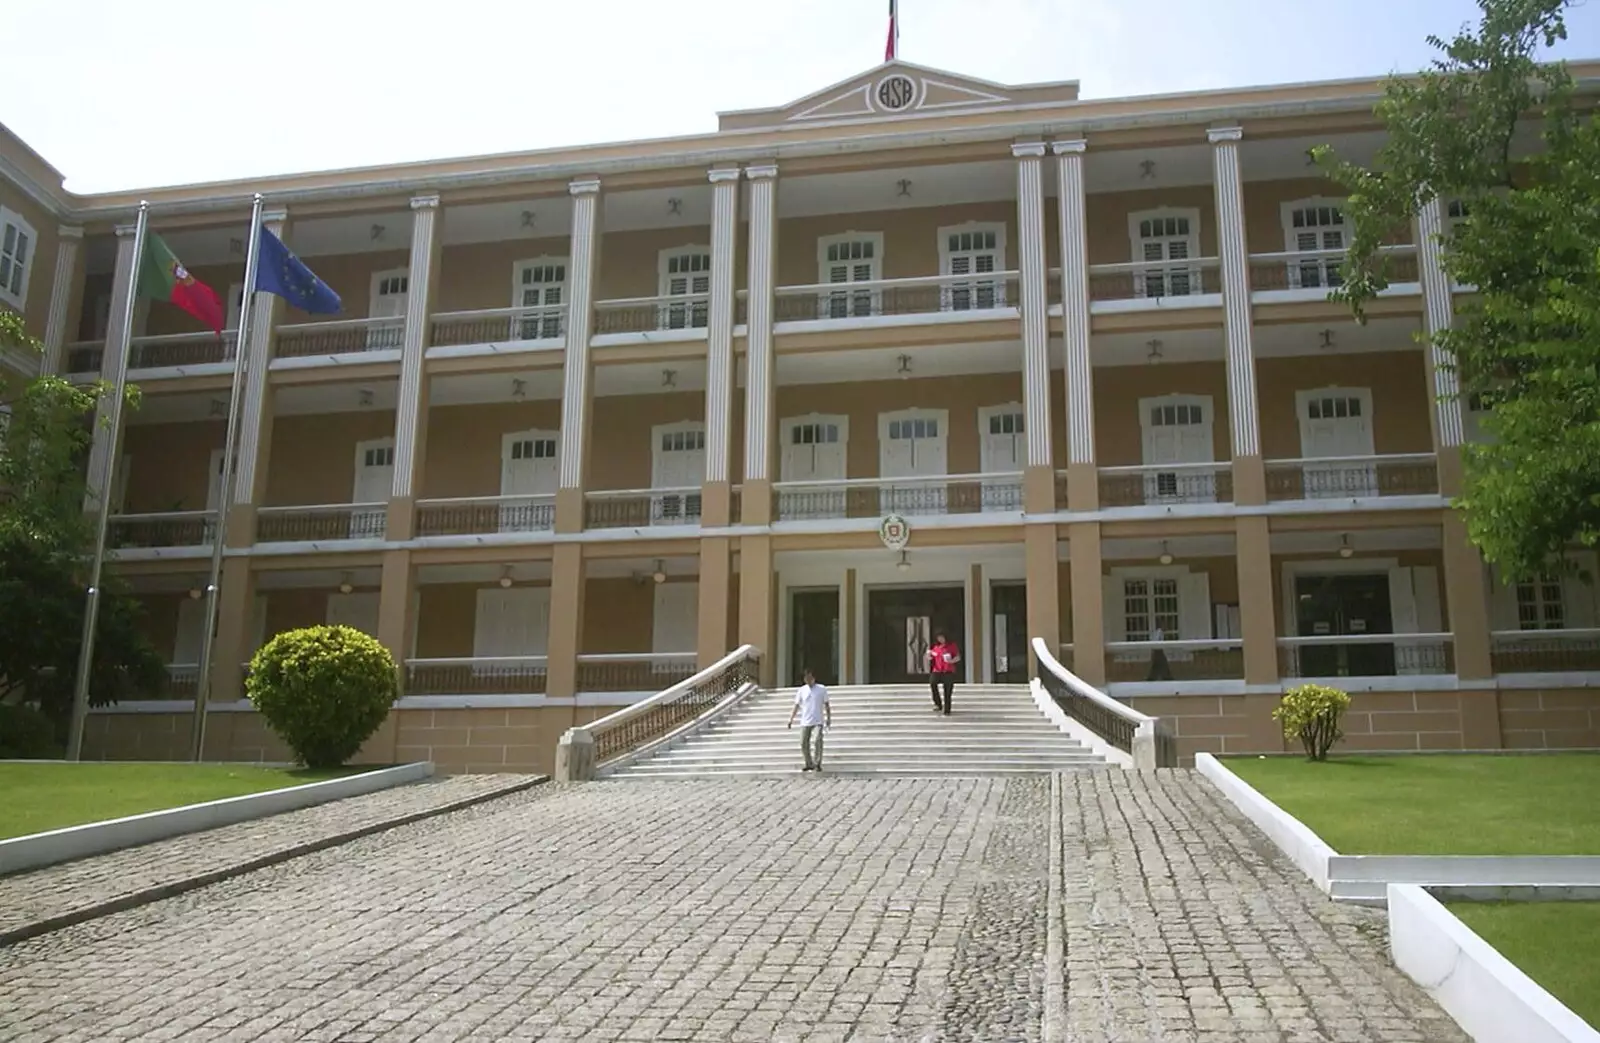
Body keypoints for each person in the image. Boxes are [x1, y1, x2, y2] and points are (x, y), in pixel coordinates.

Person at [786, 667, 831, 772]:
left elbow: (827, 704)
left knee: (817, 740)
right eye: (806, 678)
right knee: (803, 742)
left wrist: (828, 718)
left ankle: (817, 763)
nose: (808, 680)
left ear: (814, 678)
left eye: (810, 678)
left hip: (817, 721)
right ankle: (808, 763)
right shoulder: (801, 690)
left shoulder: (821, 689)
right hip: (805, 721)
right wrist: (791, 719)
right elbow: (796, 705)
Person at [927, 631, 960, 715]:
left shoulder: (952, 646)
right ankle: (938, 703)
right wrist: (929, 655)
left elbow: (958, 657)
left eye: (942, 637)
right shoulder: (936, 647)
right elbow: (931, 657)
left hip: (948, 670)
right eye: (938, 638)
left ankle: (947, 709)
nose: (940, 639)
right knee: (933, 683)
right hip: (937, 670)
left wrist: (952, 661)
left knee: (947, 690)